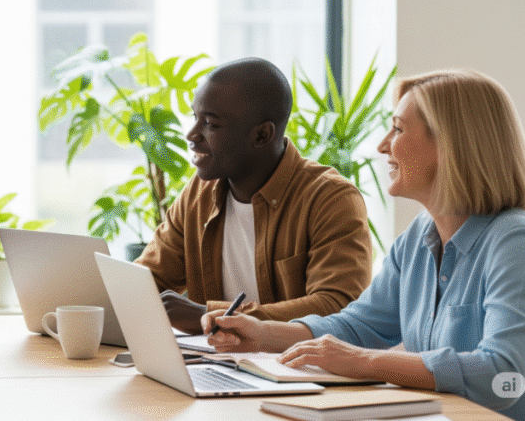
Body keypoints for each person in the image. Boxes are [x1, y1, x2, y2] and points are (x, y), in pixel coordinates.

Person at [205, 69, 525, 421]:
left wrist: (367, 362)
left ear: (450, 144)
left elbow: (505, 376)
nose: (383, 145)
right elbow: (360, 325)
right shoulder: (418, 238)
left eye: (398, 129)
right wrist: (263, 335)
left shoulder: (516, 241)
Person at [134, 57, 372, 333]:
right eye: (194, 117)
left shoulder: (330, 198)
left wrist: (211, 317)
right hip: (218, 366)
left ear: (262, 135)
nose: (191, 134)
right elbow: (146, 282)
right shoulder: (198, 194)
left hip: (298, 372)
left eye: (210, 124)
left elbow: (337, 306)